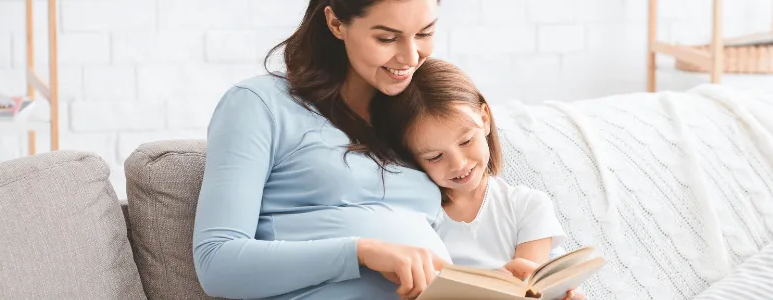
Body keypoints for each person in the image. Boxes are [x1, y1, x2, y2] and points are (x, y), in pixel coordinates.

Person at [192, 1, 450, 300]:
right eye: (386, 38)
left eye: (424, 33)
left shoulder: (414, 120)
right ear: (336, 24)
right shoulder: (259, 105)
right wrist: (360, 253)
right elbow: (216, 265)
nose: (410, 56)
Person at [369, 58, 586, 300]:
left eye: (466, 141)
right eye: (435, 156)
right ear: (411, 158)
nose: (458, 164)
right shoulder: (418, 218)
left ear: (484, 118)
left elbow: (529, 286)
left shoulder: (527, 205)